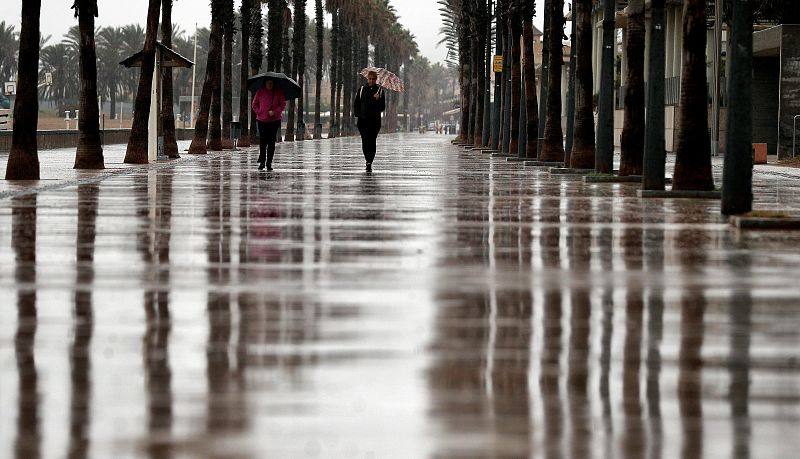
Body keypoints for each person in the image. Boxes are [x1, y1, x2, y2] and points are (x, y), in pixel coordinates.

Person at [353, 71, 386, 172]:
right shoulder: (362, 90)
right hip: (363, 121)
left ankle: (370, 161)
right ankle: (367, 159)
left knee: (372, 141)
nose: (371, 80)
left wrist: (378, 99)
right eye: (370, 78)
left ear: (376, 79)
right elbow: (356, 104)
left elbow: (382, 108)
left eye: (373, 79)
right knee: (365, 141)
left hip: (375, 122)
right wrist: (359, 114)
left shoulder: (380, 91)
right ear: (367, 79)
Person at [252, 79, 286, 171]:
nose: (270, 84)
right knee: (263, 142)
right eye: (268, 83)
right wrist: (259, 112)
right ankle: (262, 161)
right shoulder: (260, 92)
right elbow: (254, 104)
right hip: (261, 120)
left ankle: (269, 163)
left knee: (271, 142)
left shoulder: (278, 92)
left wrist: (275, 112)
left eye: (271, 83)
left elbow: (282, 104)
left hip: (274, 121)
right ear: (265, 83)